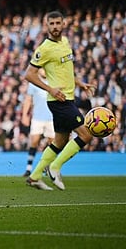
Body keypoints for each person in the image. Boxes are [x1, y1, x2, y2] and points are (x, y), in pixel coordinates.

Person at [24, 11, 96, 191]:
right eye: (52, 23)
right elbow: (29, 75)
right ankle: (55, 167)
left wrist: (80, 83)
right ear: (47, 26)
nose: (55, 26)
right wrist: (50, 89)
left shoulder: (65, 42)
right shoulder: (44, 48)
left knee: (60, 141)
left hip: (68, 98)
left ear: (63, 24)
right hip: (59, 101)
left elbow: (66, 69)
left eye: (58, 23)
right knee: (86, 134)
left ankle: (34, 176)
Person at [20, 68, 54, 177]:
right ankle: (28, 169)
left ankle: (49, 167)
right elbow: (28, 99)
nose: (43, 71)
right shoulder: (34, 83)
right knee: (34, 142)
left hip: (51, 117)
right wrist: (25, 115)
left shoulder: (53, 82)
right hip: (37, 118)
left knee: (52, 144)